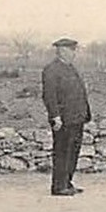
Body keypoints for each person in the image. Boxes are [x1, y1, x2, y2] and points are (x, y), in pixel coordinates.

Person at [41, 37, 91, 197]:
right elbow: (49, 96)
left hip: (77, 118)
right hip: (63, 119)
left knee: (73, 152)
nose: (74, 53)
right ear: (61, 51)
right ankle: (59, 186)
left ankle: (67, 183)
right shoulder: (51, 69)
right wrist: (55, 116)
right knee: (62, 152)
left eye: (74, 50)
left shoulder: (70, 68)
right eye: (71, 50)